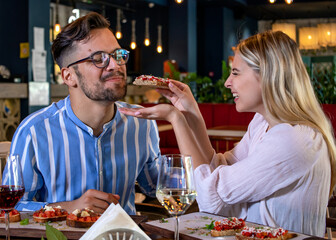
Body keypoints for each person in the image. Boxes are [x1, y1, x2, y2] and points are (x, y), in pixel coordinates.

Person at [119, 30, 336, 237]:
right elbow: (218, 166)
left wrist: (176, 119)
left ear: (268, 75)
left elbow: (210, 197)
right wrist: (191, 112)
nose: (227, 82)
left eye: (235, 72)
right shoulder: (262, 123)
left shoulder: (293, 139)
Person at [7, 12, 160, 215]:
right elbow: (10, 208)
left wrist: (185, 120)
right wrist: (68, 208)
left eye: (118, 55)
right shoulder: (34, 131)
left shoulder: (142, 122)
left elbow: (157, 188)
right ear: (69, 76)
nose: (116, 65)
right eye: (99, 58)